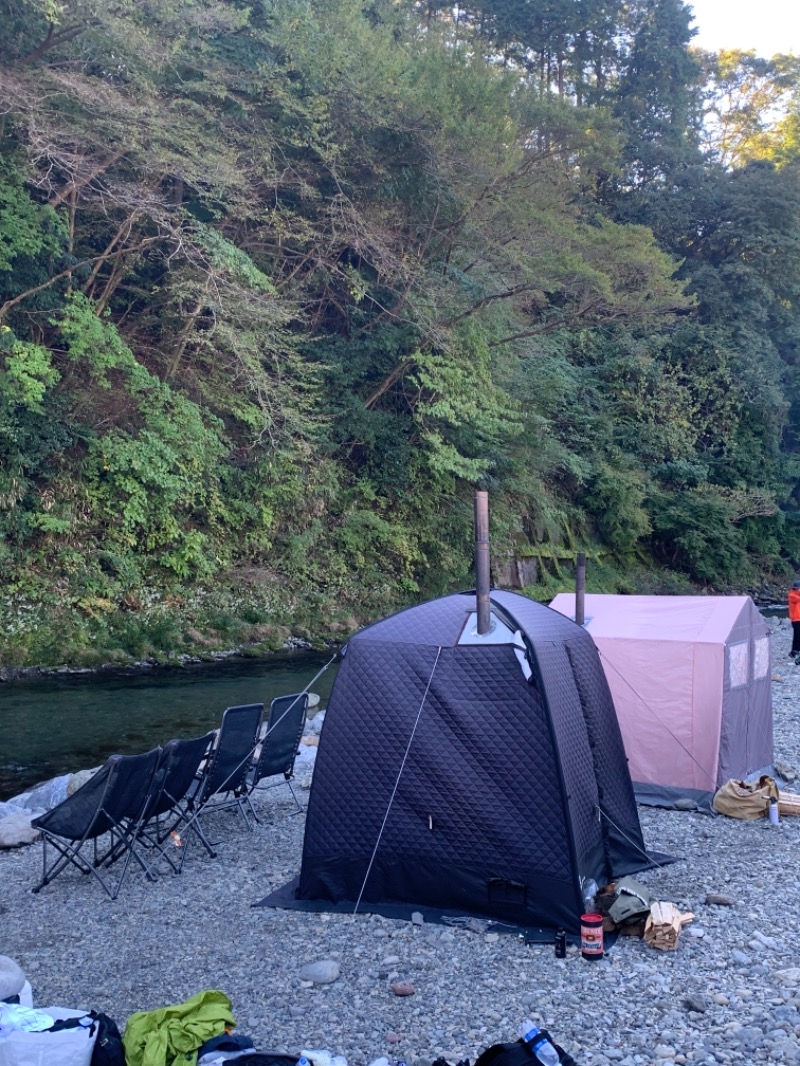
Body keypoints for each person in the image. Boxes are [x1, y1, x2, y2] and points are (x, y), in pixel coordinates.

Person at [789, 581, 800, 659]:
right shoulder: (792, 595)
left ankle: (797, 650)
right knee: (796, 636)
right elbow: (798, 599)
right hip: (795, 619)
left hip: (799, 618)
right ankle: (793, 651)